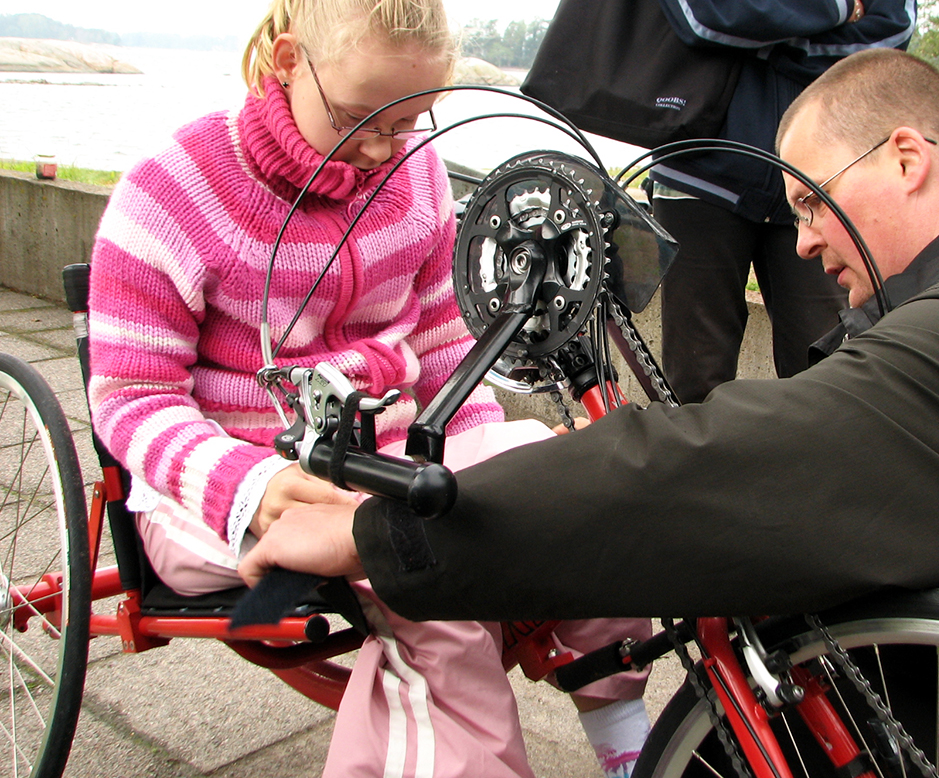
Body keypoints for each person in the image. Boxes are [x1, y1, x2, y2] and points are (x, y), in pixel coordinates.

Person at [240, 46, 939, 729]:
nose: (808, 240)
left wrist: (376, 534)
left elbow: (703, 468)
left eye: (814, 203)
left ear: (908, 159)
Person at [86, 1, 651, 776]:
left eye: (412, 120)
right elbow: (130, 399)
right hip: (217, 488)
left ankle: (628, 743)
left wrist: (485, 454)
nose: (389, 148)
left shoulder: (411, 170)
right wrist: (255, 485)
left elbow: (445, 342)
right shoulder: (170, 193)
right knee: (414, 563)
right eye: (365, 118)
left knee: (572, 484)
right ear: (288, 62)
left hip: (380, 454)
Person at [650, 0, 914, 404]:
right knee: (691, 388)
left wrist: (756, 37)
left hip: (822, 181)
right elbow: (701, 15)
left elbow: (890, 33)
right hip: (698, 171)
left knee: (830, 374)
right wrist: (845, 8)